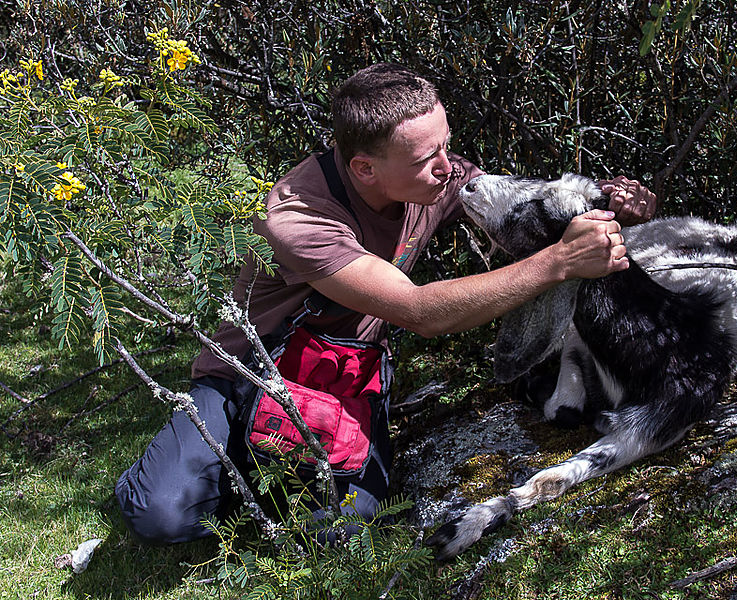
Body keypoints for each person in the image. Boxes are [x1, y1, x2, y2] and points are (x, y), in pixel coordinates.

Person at [115, 63, 657, 544]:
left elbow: (519, 201)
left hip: (344, 373)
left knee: (346, 527)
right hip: (248, 373)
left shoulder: (430, 176)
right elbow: (421, 311)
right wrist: (560, 261)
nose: (449, 168)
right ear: (365, 169)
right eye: (429, 158)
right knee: (161, 515)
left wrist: (604, 201)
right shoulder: (299, 219)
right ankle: (222, 460)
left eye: (447, 145)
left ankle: (255, 475)